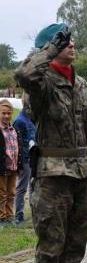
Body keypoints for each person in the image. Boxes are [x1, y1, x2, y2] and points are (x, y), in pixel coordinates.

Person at [14, 23, 87, 263]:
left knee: (76, 241)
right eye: (63, 42)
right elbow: (23, 73)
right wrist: (48, 49)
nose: (71, 45)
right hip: (52, 175)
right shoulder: (41, 82)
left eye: (71, 41)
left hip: (80, 172)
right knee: (51, 244)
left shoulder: (81, 83)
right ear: (50, 48)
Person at [13, 94, 35, 225]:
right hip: (24, 160)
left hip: (33, 158)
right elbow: (16, 143)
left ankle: (34, 211)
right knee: (22, 187)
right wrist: (19, 163)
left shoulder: (31, 119)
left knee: (33, 186)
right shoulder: (19, 120)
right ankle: (18, 215)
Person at [0, 99, 23, 227]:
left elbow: (18, 148)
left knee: (11, 193)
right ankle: (1, 218)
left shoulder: (14, 130)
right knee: (1, 193)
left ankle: (9, 216)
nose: (6, 116)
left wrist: (20, 165)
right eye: (3, 113)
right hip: (1, 168)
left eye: (9, 113)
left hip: (13, 167)